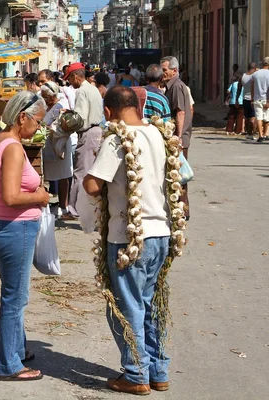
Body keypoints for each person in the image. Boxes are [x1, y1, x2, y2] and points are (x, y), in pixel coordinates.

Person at [83, 86, 172, 396]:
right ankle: (158, 370)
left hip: (129, 237)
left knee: (125, 306)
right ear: (139, 106)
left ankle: (136, 374)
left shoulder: (116, 138)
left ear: (108, 112)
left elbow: (93, 184)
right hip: (160, 232)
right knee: (149, 304)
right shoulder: (158, 134)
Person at [0, 91, 48, 381]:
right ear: (22, 117)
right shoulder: (12, 147)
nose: (39, 128)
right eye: (38, 121)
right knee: (15, 297)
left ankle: (17, 348)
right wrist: (41, 196)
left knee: (13, 291)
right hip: (13, 227)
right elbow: (10, 196)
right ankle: (9, 364)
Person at [64, 63, 105, 218]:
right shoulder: (93, 88)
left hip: (87, 133)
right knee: (91, 171)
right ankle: (90, 207)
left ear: (76, 76)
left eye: (70, 79)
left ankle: (73, 209)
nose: (70, 83)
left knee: (80, 172)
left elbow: (80, 117)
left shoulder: (82, 91)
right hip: (96, 131)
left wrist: (67, 121)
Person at [161, 56, 192, 220]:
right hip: (177, 137)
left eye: (165, 70)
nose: (162, 73)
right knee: (176, 175)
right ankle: (180, 209)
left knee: (179, 175)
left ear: (174, 70)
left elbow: (180, 112)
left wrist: (178, 137)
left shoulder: (177, 87)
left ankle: (182, 210)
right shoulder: (171, 86)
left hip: (178, 138)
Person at [40, 82, 73, 217]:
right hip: (48, 144)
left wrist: (48, 127)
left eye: (46, 97)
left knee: (62, 175)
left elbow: (64, 127)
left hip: (60, 145)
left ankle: (63, 206)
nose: (45, 100)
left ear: (53, 95)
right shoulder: (47, 107)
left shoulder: (61, 106)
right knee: (48, 175)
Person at [250, 57, 269, 142]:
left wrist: (252, 99)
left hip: (257, 99)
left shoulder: (255, 74)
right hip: (266, 99)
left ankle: (260, 135)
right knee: (267, 118)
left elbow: (252, 88)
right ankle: (266, 134)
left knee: (259, 118)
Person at [240, 62, 258, 139]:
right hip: (252, 99)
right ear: (254, 68)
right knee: (253, 117)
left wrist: (238, 99)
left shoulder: (243, 76)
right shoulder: (254, 76)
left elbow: (239, 88)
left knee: (246, 117)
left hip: (245, 99)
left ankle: (248, 132)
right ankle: (252, 133)